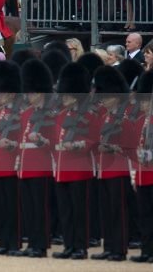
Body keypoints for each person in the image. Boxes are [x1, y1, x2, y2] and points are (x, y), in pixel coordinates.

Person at [9, 60, 56, 258]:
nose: (29, 96)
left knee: (40, 208)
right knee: (28, 208)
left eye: (33, 92)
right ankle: (31, 243)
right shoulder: (26, 113)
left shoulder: (48, 113)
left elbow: (53, 141)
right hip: (25, 166)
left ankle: (41, 244)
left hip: (41, 166)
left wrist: (42, 140)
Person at [51, 63, 95, 260]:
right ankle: (69, 245)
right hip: (61, 169)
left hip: (79, 169)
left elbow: (92, 139)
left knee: (79, 211)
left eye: (67, 95)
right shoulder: (61, 115)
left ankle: (80, 247)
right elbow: (54, 139)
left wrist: (76, 146)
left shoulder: (86, 115)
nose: (64, 98)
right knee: (65, 211)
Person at [90, 67, 131, 261]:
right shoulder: (104, 114)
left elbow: (130, 140)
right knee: (106, 210)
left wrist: (113, 147)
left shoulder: (125, 114)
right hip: (103, 167)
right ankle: (109, 246)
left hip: (119, 168)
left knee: (118, 210)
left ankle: (119, 248)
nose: (104, 100)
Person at [0, 61, 23, 256]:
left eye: (2, 92)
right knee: (1, 206)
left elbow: (20, 139)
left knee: (12, 206)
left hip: (12, 165)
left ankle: (14, 242)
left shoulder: (18, 113)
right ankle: (4, 241)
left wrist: (11, 145)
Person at [128, 71, 153, 263]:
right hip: (144, 175)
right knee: (144, 216)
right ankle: (147, 251)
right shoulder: (142, 120)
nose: (144, 105)